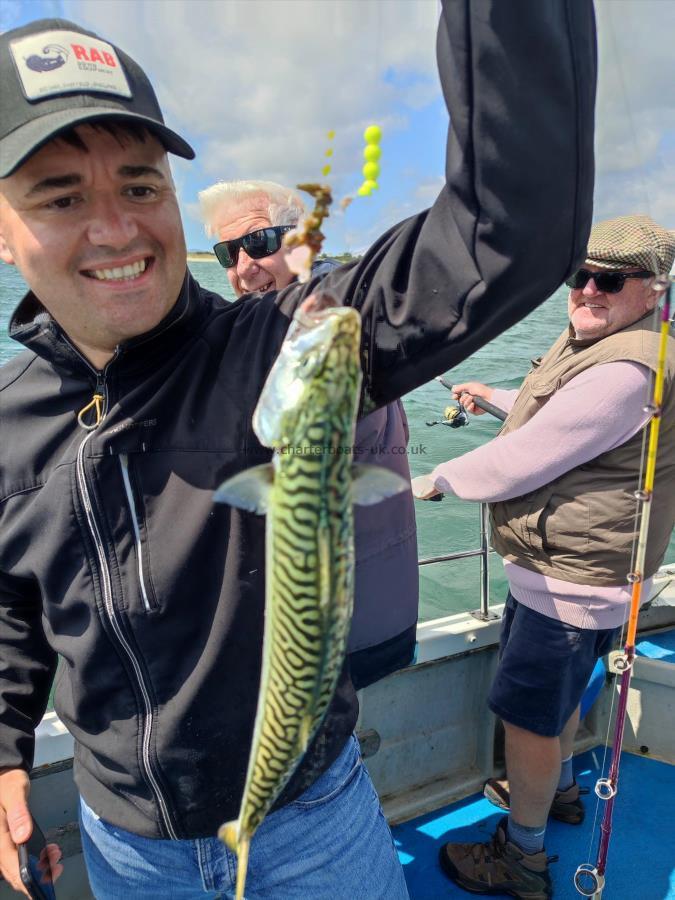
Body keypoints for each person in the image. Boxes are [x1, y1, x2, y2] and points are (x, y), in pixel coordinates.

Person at [0, 4, 596, 898]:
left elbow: (508, 228)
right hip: (122, 844)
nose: (117, 229)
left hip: (311, 826)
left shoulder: (278, 341)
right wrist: (6, 751)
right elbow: (14, 609)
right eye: (59, 195)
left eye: (139, 186)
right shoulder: (9, 421)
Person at [412, 214, 675, 898]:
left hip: (569, 585)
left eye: (608, 281)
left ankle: (522, 857)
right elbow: (566, 419)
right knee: (555, 701)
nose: (587, 290)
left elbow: (527, 457)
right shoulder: (620, 341)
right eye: (578, 275)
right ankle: (556, 791)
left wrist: (432, 480)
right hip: (594, 579)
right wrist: (494, 396)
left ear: (652, 291)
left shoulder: (625, 367)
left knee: (527, 720)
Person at [198, 179, 418, 690]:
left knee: (326, 758)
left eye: (259, 243)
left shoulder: (340, 323)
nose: (243, 266)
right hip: (336, 613)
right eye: (227, 253)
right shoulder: (265, 330)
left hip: (343, 624)